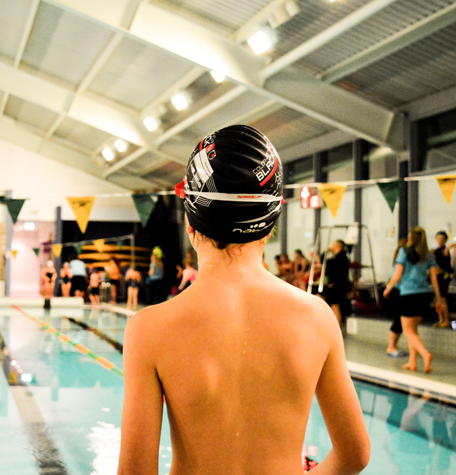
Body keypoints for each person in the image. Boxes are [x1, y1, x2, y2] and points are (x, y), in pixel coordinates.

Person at [118, 125, 369, 474]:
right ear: (271, 221)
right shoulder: (317, 317)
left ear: (190, 220)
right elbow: (355, 453)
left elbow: (134, 472)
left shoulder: (148, 329)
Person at [384, 227, 440, 374]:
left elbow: (397, 274)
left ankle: (425, 354)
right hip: (424, 295)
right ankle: (412, 362)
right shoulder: (428, 255)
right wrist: (438, 298)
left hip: (408, 294)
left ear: (411, 238)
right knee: (413, 330)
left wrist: (388, 288)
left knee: (408, 330)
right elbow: (434, 278)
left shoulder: (404, 252)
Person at [385, 238, 408, 358]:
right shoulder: (403, 255)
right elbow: (397, 276)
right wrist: (388, 288)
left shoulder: (402, 256)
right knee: (398, 319)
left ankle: (393, 345)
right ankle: (391, 347)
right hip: (398, 291)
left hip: (400, 291)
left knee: (400, 320)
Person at [320, 240, 351, 325]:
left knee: (335, 306)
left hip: (337, 286)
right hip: (333, 285)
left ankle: (337, 326)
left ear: (337, 246)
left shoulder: (341, 258)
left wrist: (326, 253)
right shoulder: (337, 258)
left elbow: (329, 265)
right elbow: (325, 262)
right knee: (321, 299)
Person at [432, 231, 455, 328]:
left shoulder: (445, 251)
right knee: (437, 298)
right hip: (437, 277)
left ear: (445, 240)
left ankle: (446, 320)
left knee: (442, 298)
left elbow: (445, 268)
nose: (440, 241)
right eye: (438, 239)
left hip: (443, 277)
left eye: (442, 239)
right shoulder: (436, 251)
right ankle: (441, 319)